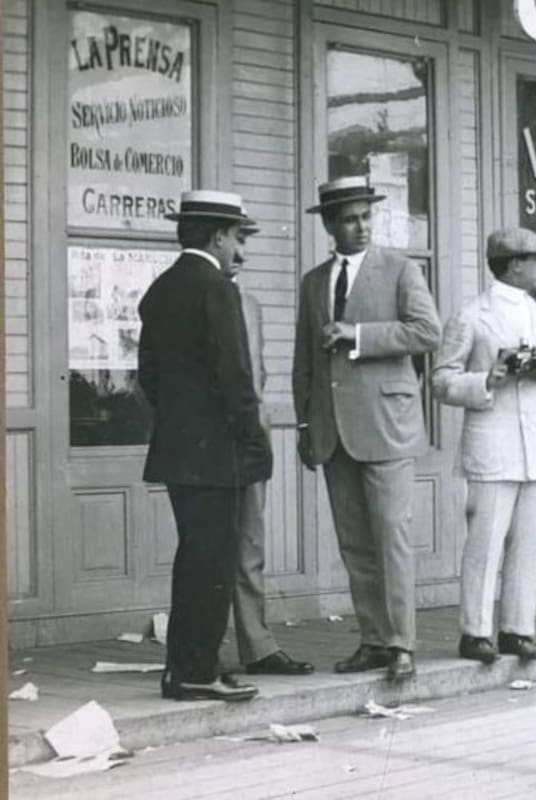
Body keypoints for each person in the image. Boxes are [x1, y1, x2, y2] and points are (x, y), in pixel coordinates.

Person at [292, 176, 442, 683]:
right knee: (355, 544)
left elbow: (428, 332)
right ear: (330, 225)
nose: (361, 227)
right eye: (350, 219)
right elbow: (303, 362)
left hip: (387, 426)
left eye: (366, 217)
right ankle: (373, 640)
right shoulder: (313, 282)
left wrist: (358, 335)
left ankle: (402, 644)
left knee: (392, 539)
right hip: (333, 432)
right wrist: (305, 423)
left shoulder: (400, 270)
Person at [139, 190, 272, 702]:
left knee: (193, 558)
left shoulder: (162, 288)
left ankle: (183, 669)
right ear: (218, 236)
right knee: (213, 564)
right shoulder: (218, 290)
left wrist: (182, 419)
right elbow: (236, 378)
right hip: (220, 454)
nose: (241, 250)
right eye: (239, 237)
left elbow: (148, 376)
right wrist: (254, 443)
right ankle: (198, 670)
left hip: (179, 448)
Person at [432, 227, 536, 664]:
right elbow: (441, 379)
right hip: (493, 442)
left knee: (531, 542)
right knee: (486, 541)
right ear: (514, 264)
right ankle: (474, 631)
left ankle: (517, 627)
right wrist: (486, 380)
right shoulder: (472, 315)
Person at [227, 226, 314, 678]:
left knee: (249, 544)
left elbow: (257, 376)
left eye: (246, 241)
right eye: (234, 240)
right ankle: (197, 654)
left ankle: (257, 644)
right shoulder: (190, 297)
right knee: (205, 550)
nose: (242, 252)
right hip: (208, 445)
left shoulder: (250, 305)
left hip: (250, 440)